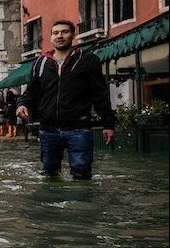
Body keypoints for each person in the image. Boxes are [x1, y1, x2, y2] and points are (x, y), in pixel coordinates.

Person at [16, 19, 115, 180]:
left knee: (82, 174)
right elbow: (31, 92)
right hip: (48, 130)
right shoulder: (40, 63)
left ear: (72, 35)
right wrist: (21, 105)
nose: (60, 36)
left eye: (64, 32)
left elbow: (100, 94)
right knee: (49, 174)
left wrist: (108, 124)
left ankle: (79, 204)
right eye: (55, 33)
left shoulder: (88, 60)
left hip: (79, 128)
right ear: (50, 38)